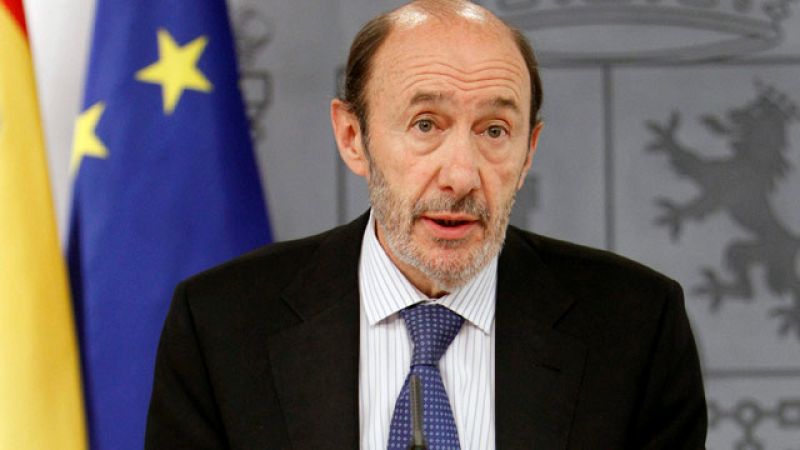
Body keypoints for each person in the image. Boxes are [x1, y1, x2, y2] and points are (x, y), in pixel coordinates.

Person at [145, 1, 708, 448]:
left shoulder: (636, 327)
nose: (461, 175)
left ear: (529, 151)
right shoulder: (220, 325)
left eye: (494, 130)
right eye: (425, 124)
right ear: (353, 137)